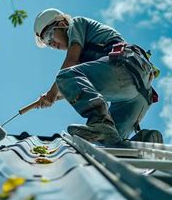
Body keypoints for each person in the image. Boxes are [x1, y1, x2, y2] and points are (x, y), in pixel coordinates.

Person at [34, 8, 160, 145]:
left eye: (48, 36)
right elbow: (78, 86)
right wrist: (52, 97)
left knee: (64, 76)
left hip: (124, 69)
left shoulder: (76, 24)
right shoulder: (85, 66)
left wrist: (51, 93)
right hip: (141, 93)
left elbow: (70, 65)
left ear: (62, 23)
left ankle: (100, 122)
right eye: (47, 43)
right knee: (108, 143)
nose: (51, 44)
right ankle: (144, 141)